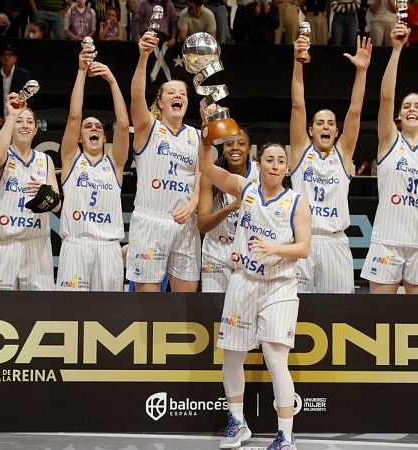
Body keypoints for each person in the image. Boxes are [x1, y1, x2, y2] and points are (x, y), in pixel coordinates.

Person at [199, 141, 310, 450]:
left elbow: (303, 248)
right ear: (259, 165)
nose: (275, 165)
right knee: (232, 357)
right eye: (269, 160)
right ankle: (237, 423)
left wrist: (274, 249)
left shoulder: (297, 202)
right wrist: (206, 141)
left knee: (276, 360)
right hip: (243, 282)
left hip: (279, 286)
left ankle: (285, 436)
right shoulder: (244, 189)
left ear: (287, 168)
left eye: (280, 161)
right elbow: (206, 167)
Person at [360, 22, 418, 294]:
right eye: (406, 106)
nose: (412, 109)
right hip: (387, 239)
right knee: (381, 314)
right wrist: (397, 49)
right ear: (399, 114)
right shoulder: (389, 138)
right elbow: (386, 96)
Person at [290, 35, 371, 293]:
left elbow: (355, 111)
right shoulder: (300, 151)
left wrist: (361, 72)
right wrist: (298, 61)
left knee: (337, 309)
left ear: (336, 131)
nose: (325, 127)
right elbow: (297, 105)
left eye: (331, 123)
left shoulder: (343, 154)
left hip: (335, 242)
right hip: (303, 240)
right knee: (296, 308)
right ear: (310, 130)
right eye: (319, 123)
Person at [127, 30, 201, 292]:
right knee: (149, 303)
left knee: (185, 303)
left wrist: (193, 203)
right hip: (151, 220)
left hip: (185, 224)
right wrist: (143, 57)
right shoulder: (148, 128)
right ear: (160, 102)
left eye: (182, 93)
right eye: (171, 92)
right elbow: (137, 98)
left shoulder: (196, 135)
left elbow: (202, 176)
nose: (177, 95)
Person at [57, 49, 129, 291]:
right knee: (71, 310)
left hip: (109, 248)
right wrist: (81, 71)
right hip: (75, 245)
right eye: (88, 127)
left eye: (98, 126)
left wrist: (112, 81)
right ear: (80, 137)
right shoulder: (71, 159)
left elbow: (123, 125)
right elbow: (74, 116)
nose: (94, 128)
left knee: (109, 311)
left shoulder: (114, 163)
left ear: (104, 137)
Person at [0, 93, 60, 290]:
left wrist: (45, 194)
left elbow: (57, 206)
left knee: (40, 307)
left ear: (35, 130)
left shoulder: (45, 160)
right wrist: (12, 114)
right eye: (19, 121)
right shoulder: (3, 156)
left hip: (37, 246)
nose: (24, 125)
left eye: (29, 122)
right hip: (3, 245)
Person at [198, 128, 258, 292]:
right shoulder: (210, 175)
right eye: (229, 144)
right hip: (217, 249)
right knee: (214, 304)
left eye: (241, 143)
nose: (235, 148)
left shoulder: (260, 172)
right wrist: (229, 209)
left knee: (244, 306)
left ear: (249, 148)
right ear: (223, 149)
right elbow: (202, 225)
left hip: (248, 251)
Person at [0, 44, 32, 129]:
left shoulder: (23, 75)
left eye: (10, 55)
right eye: (4, 55)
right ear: (1, 58)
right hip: (0, 119)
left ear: (15, 58)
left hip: (18, 118)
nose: (7, 57)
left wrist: (20, 116)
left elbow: (29, 98)